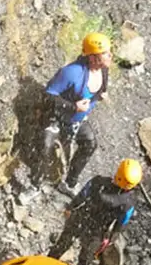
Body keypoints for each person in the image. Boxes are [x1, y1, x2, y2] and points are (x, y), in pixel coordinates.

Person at [48, 158, 143, 265]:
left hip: (81, 218)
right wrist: (110, 238)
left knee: (61, 246)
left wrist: (71, 208)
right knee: (85, 261)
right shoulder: (128, 203)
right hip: (98, 231)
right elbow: (121, 223)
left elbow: (82, 195)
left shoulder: (99, 182)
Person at [42, 32, 112, 193]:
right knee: (46, 147)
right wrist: (73, 107)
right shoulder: (71, 72)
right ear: (93, 58)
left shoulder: (103, 70)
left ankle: (69, 183)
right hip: (57, 117)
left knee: (90, 144)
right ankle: (35, 185)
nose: (110, 56)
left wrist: (102, 94)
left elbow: (102, 86)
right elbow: (47, 96)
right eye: (105, 54)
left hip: (76, 120)